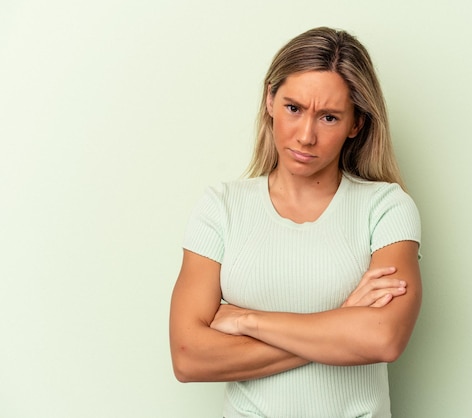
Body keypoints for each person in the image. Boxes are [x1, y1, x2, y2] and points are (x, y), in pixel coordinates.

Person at [169, 26, 422, 418]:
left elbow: (383, 339)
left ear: (356, 124)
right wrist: (340, 327)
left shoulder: (386, 208)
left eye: (329, 117)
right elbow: (188, 358)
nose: (306, 135)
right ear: (270, 99)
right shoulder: (221, 207)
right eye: (293, 108)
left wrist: (246, 320)